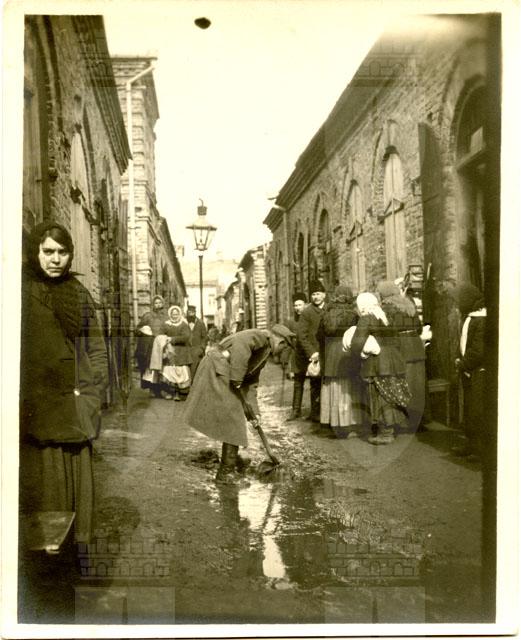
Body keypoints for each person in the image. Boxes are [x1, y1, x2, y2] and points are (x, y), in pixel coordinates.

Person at [19, 221, 108, 545]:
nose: (55, 259)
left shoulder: (78, 294)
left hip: (73, 409)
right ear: (36, 252)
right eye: (48, 251)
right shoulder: (20, 289)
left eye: (62, 252)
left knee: (74, 495)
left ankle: (71, 554)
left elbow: (96, 349)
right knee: (41, 493)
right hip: (34, 412)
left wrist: (92, 395)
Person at [184, 328, 285, 483]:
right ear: (279, 340)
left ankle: (230, 461)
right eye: (285, 346)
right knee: (233, 417)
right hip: (217, 365)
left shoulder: (265, 352)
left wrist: (254, 413)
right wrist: (237, 378)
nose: (284, 351)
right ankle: (226, 472)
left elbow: (251, 383)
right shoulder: (260, 336)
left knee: (233, 417)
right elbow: (240, 344)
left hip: (224, 369)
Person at [349, 292, 410, 445]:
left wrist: (358, 354)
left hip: (377, 362)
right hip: (393, 359)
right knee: (391, 393)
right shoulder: (385, 317)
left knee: (379, 396)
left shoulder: (366, 319)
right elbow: (397, 340)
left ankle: (385, 433)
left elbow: (356, 343)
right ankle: (394, 427)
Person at [317, 284, 366, 438]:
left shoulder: (327, 312)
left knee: (333, 388)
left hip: (331, 353)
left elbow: (319, 335)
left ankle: (334, 423)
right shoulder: (354, 313)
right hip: (348, 352)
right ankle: (350, 424)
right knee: (349, 388)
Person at [377, 281, 426, 432]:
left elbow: (386, 331)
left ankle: (405, 421)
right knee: (418, 386)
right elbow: (419, 328)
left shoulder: (386, 308)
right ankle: (419, 420)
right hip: (416, 347)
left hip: (400, 349)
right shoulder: (409, 304)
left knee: (403, 385)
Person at [451, 283, 486, 461]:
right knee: (470, 409)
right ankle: (471, 444)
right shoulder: (471, 318)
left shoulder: (481, 320)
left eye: (459, 301)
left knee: (478, 411)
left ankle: (480, 449)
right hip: (469, 371)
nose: (457, 305)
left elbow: (479, 350)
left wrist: (463, 363)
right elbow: (465, 343)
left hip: (479, 371)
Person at [296, 281, 326, 423]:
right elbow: (301, 335)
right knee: (315, 383)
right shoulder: (307, 313)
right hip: (316, 353)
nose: (316, 297)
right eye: (313, 294)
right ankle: (315, 413)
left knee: (328, 383)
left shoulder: (329, 309)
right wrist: (311, 352)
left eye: (318, 294)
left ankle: (328, 412)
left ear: (324, 295)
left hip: (328, 352)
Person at [135, 295, 169, 398]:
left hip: (162, 345)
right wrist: (143, 331)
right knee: (151, 368)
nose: (158, 305)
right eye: (156, 303)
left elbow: (171, 329)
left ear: (162, 304)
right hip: (150, 345)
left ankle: (162, 389)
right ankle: (152, 389)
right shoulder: (147, 316)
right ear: (153, 304)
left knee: (162, 368)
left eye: (160, 303)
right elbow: (138, 329)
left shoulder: (167, 317)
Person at [162, 305, 193, 401]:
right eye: (173, 314)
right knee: (170, 371)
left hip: (182, 352)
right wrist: (163, 339)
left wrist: (172, 339)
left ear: (179, 314)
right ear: (170, 314)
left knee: (181, 372)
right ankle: (171, 392)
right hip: (170, 351)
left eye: (176, 314)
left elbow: (185, 337)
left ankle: (180, 393)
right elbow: (162, 334)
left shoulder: (184, 324)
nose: (174, 316)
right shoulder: (166, 324)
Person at [186, 304, 207, 380]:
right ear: (187, 312)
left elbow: (204, 337)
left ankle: (194, 384)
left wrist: (202, 348)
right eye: (189, 312)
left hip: (197, 349)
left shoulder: (200, 323)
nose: (191, 314)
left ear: (195, 312)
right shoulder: (184, 322)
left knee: (196, 370)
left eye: (192, 312)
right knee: (186, 370)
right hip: (186, 349)